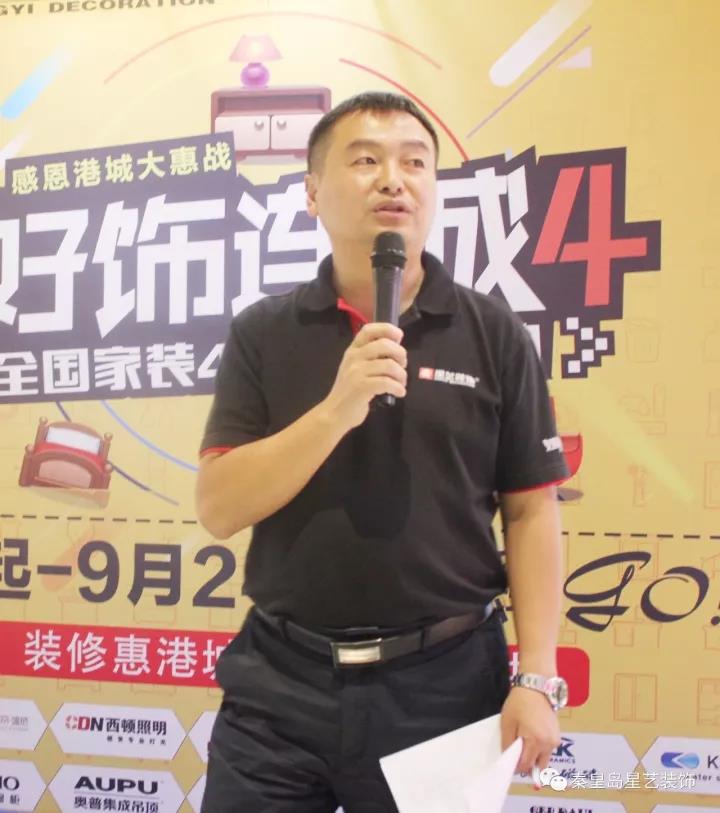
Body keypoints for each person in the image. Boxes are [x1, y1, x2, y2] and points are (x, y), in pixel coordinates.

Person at [196, 91, 569, 812]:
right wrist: (336, 410)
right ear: (312, 192)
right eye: (365, 160)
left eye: (414, 163)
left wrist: (537, 677)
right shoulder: (264, 333)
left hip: (446, 685)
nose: (393, 180)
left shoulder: (493, 333)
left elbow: (532, 510)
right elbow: (219, 507)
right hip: (280, 684)